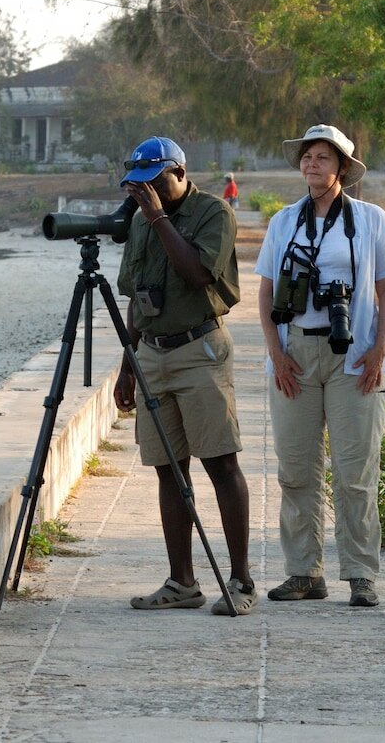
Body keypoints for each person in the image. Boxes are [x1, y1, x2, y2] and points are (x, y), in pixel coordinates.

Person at [254, 124, 385, 608]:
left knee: (355, 469)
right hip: (295, 353)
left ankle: (361, 574)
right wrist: (276, 354)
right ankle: (303, 572)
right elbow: (265, 292)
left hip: (352, 354)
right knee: (296, 470)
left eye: (323, 157)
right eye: (306, 157)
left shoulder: (371, 220)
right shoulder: (283, 222)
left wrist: (380, 350)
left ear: (342, 167)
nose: (312, 164)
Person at [114, 136, 257, 616]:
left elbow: (198, 274)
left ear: (178, 171)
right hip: (152, 353)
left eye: (153, 182)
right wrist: (126, 367)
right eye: (138, 185)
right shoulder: (139, 221)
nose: (145, 191)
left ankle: (240, 580)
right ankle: (182, 581)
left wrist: (157, 218)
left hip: (200, 349)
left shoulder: (213, 213)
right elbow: (137, 295)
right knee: (168, 469)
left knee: (220, 463)